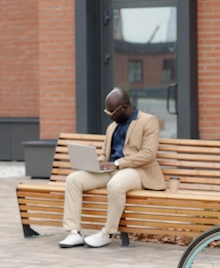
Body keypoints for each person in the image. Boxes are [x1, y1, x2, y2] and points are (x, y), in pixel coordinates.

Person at [59, 87, 166, 248]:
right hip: (111, 170)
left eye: (112, 112)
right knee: (73, 180)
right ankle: (74, 232)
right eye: (107, 112)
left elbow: (148, 154)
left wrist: (117, 163)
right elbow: (105, 153)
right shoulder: (112, 127)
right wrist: (99, 162)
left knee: (115, 185)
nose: (110, 116)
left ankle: (108, 233)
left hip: (138, 171)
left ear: (124, 107)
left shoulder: (148, 121)